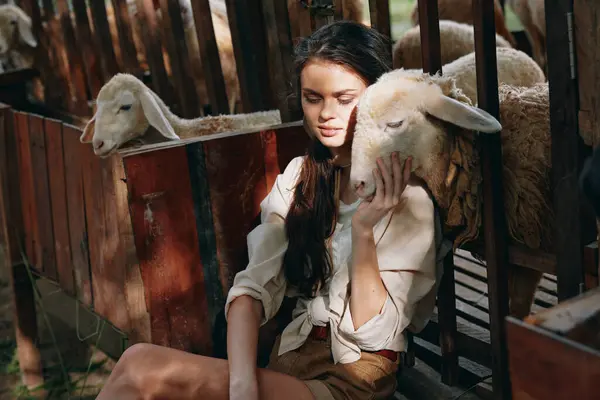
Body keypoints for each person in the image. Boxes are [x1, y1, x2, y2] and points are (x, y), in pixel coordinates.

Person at [95, 20, 445, 400]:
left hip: (353, 383)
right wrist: (241, 386)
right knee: (134, 365)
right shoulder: (301, 177)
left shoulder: (407, 197)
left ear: (378, 96)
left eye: (345, 99)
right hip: (289, 364)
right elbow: (251, 290)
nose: (326, 113)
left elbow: (372, 334)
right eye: (313, 98)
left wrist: (363, 232)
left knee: (141, 368)